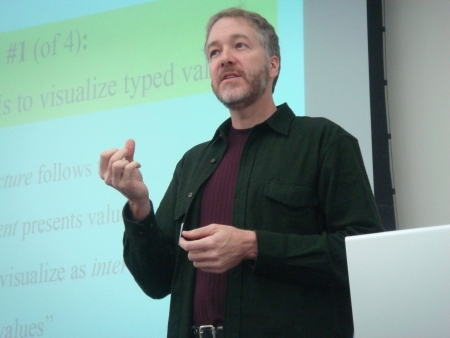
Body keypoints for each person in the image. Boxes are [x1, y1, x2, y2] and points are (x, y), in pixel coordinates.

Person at [99, 7, 384, 338]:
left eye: (240, 45)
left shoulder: (324, 142)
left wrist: (254, 245)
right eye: (214, 52)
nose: (225, 59)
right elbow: (156, 280)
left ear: (273, 64)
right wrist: (139, 207)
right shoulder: (192, 163)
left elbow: (364, 255)